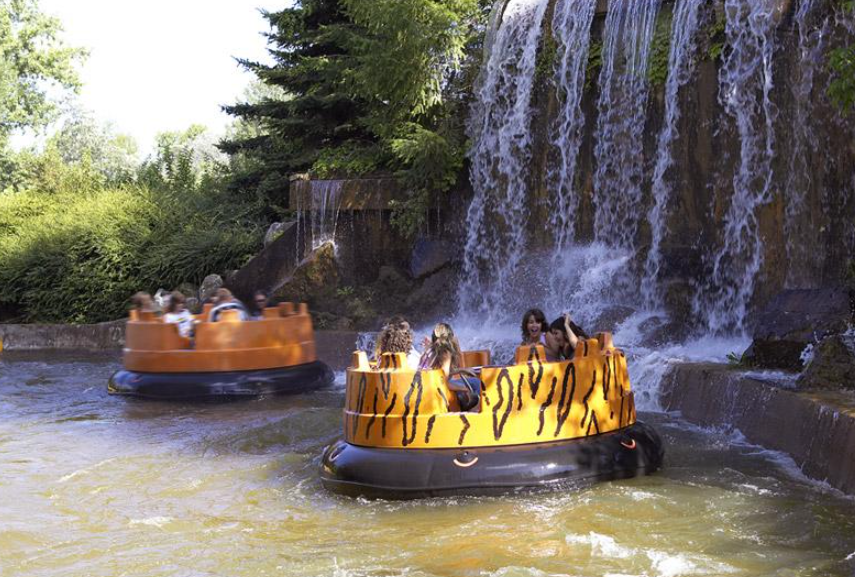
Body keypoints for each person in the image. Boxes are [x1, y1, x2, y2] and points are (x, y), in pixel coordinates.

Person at [420, 323, 480, 411]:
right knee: (477, 383)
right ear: (450, 337)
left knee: (474, 381)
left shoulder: (429, 349)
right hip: (435, 389)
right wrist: (465, 389)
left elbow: (438, 373)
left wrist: (461, 370)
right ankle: (476, 412)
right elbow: (442, 382)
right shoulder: (445, 353)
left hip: (425, 386)